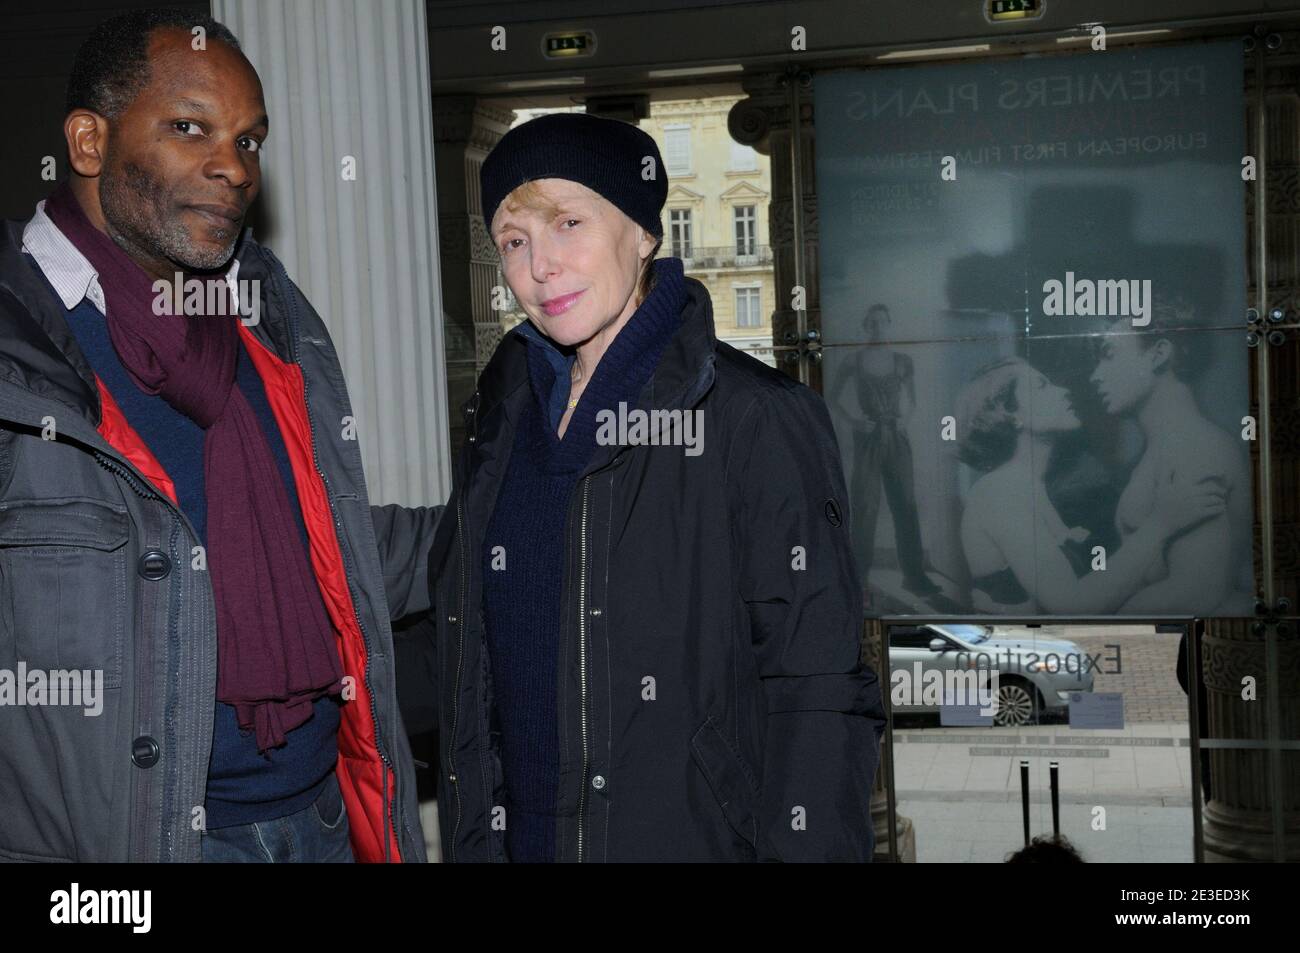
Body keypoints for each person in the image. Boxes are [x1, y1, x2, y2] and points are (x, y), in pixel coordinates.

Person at [0, 9, 438, 862]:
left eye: (250, 141)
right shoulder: (20, 339)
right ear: (88, 141)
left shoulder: (265, 318)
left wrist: (514, 517)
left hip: (319, 818)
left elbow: (329, 541)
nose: (232, 168)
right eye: (190, 128)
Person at [415, 112, 886, 862]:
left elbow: (816, 690)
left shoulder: (753, 418)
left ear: (643, 231)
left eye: (569, 222)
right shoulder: (500, 423)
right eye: (514, 241)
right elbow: (474, 666)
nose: (540, 266)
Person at [956, 357, 1224, 614]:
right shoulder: (1000, 492)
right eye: (1042, 386)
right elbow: (1073, 605)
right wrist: (1162, 523)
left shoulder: (1031, 486)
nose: (1062, 391)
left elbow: (1055, 600)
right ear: (1011, 415)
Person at [1088, 303, 1252, 615]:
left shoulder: (1194, 447)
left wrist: (1112, 622)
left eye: (1108, 355)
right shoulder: (1165, 448)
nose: (1095, 376)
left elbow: (1196, 592)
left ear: (1159, 354)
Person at [829, 304, 951, 609]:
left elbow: (914, 403)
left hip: (896, 437)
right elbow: (831, 397)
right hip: (867, 438)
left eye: (882, 322)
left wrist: (903, 422)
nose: (877, 328)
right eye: (871, 323)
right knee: (865, 507)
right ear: (865, 326)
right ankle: (858, 578)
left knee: (905, 505)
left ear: (889, 324)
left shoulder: (902, 361)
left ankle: (914, 576)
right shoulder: (853, 360)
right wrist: (856, 421)